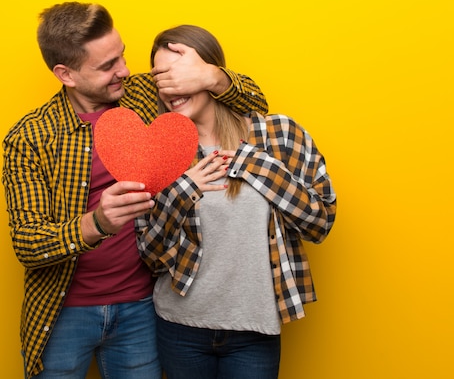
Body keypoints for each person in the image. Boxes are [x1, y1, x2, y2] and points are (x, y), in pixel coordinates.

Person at [1, 3, 269, 379]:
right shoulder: (30, 138)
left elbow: (256, 107)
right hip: (64, 312)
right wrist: (97, 223)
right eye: (107, 65)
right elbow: (28, 244)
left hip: (140, 308)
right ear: (66, 74)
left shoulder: (143, 93)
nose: (124, 70)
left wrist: (211, 76)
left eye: (122, 55)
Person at [135, 25, 337, 379]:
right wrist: (183, 190)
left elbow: (319, 223)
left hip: (254, 329)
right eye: (161, 79)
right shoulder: (160, 152)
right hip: (180, 326)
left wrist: (257, 164)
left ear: (209, 73)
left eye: (178, 74)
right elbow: (150, 255)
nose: (171, 88)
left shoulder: (278, 135)